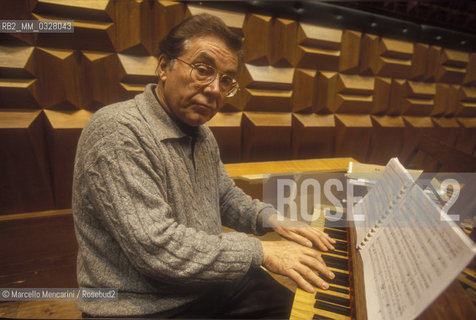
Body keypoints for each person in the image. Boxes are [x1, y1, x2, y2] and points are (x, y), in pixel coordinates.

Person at [72, 13, 336, 319]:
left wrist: (272, 219)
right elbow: (158, 249)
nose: (214, 89)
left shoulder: (202, 134)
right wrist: (262, 251)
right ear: (163, 67)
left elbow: (223, 197)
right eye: (203, 70)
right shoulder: (117, 131)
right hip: (141, 305)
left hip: (205, 284)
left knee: (300, 310)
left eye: (225, 80)